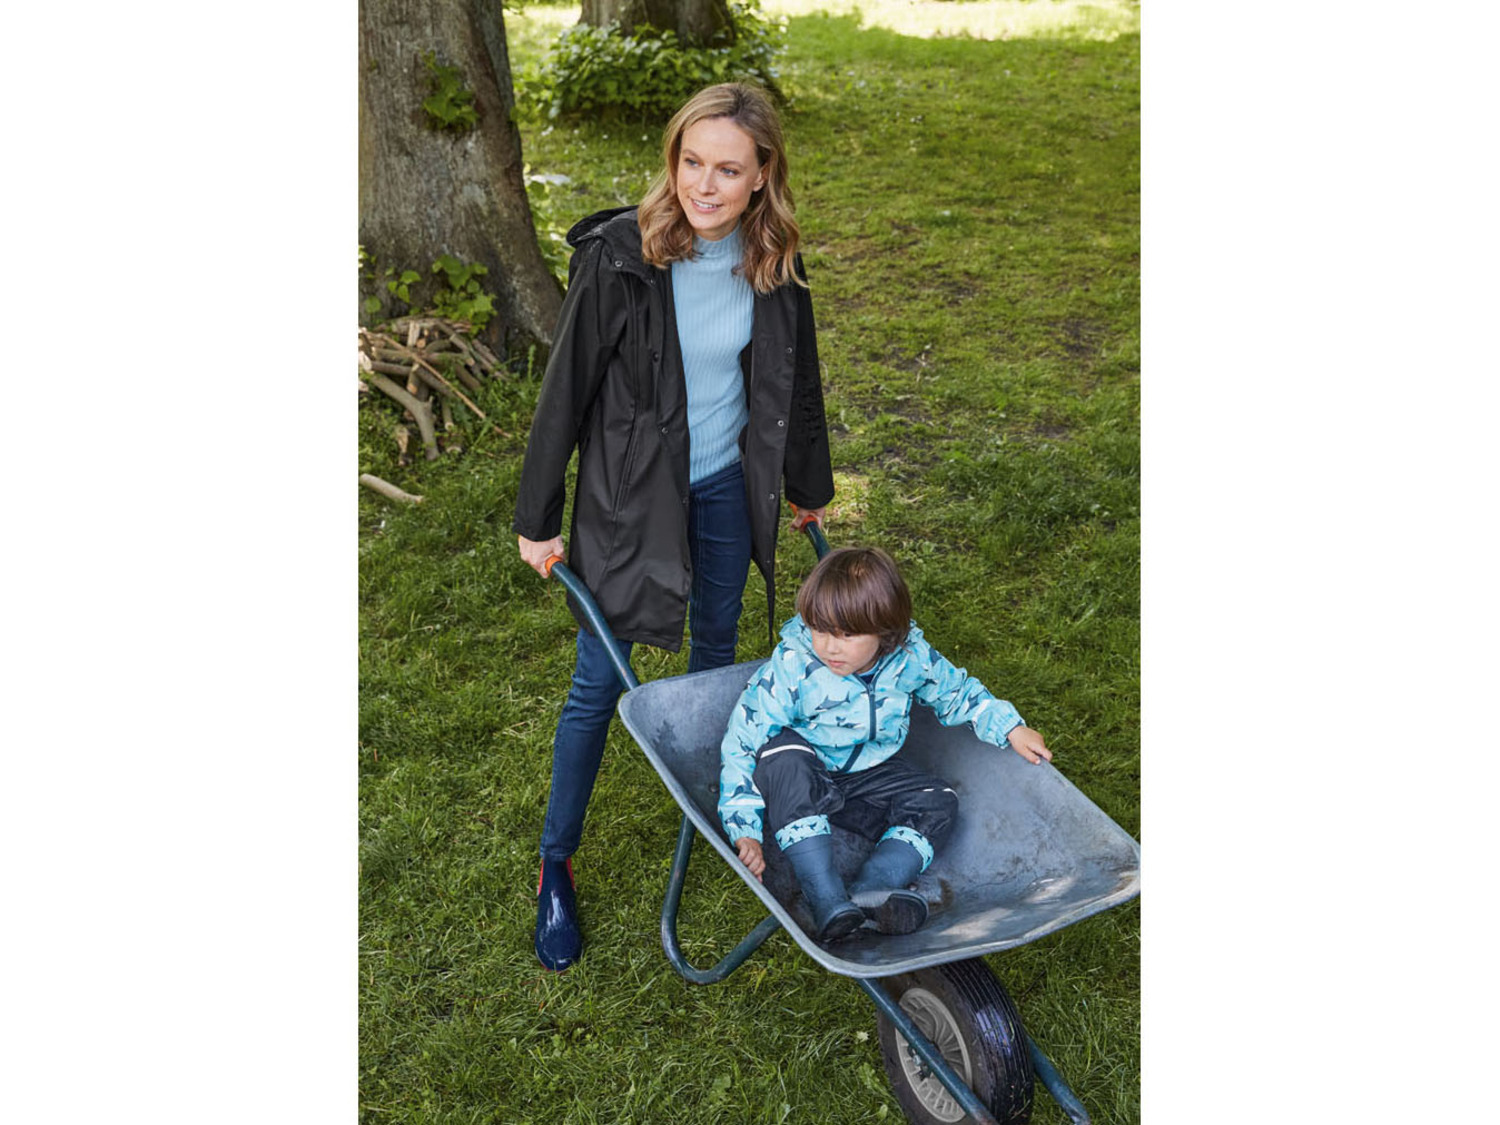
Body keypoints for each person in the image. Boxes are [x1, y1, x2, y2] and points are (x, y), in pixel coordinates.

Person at [513, 83, 835, 972]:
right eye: (692, 162)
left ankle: (720, 817)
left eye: (728, 169)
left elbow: (798, 379)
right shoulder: (622, 257)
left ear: (762, 175)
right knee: (597, 680)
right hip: (631, 500)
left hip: (728, 484)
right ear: (673, 160)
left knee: (718, 657)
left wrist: (807, 485)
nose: (704, 185)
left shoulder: (774, 260)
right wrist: (538, 518)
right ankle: (555, 862)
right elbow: (564, 391)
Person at [718, 547, 1051, 942]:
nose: (830, 647)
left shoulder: (909, 659)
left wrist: (1009, 727)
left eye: (847, 635)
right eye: (820, 629)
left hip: (866, 777)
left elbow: (955, 691)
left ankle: (874, 889)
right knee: (782, 754)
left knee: (938, 800)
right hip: (801, 777)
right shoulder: (794, 665)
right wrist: (744, 827)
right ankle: (826, 899)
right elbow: (743, 739)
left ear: (885, 631)